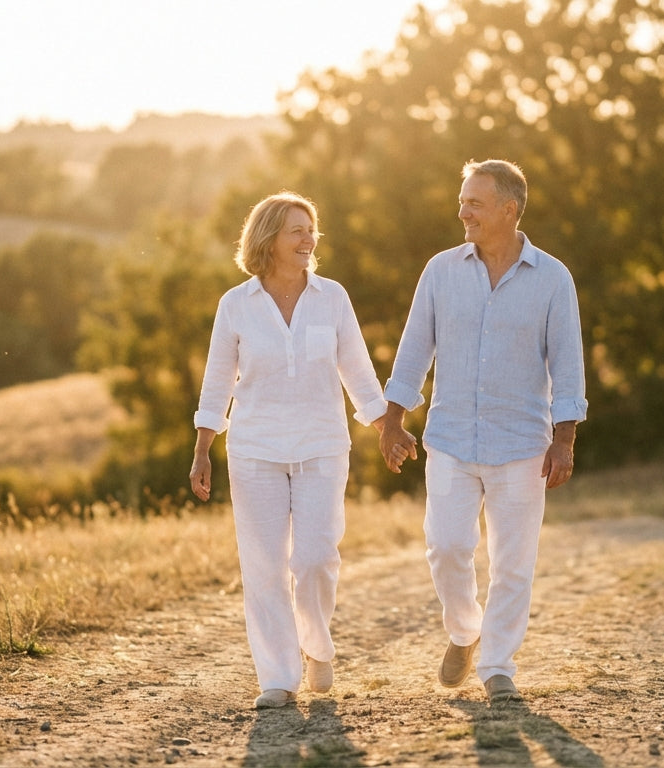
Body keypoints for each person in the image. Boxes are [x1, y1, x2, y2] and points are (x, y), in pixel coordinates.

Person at [378, 159, 587, 704]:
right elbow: (413, 348)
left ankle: (497, 666)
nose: (462, 211)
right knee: (445, 547)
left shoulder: (552, 278)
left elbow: (567, 363)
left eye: (474, 202)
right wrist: (393, 420)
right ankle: (464, 631)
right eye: (462, 200)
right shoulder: (441, 271)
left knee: (513, 562)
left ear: (508, 209)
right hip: (449, 438)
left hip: (522, 445)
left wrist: (565, 439)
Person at [190, 191, 388, 710]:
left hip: (323, 444)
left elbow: (358, 371)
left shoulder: (332, 297)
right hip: (255, 450)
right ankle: (278, 677)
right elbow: (216, 382)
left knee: (317, 557)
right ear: (268, 239)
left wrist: (386, 424)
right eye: (296, 230)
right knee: (263, 566)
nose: (309, 239)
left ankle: (316, 645)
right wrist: (203, 448)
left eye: (311, 229)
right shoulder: (236, 304)